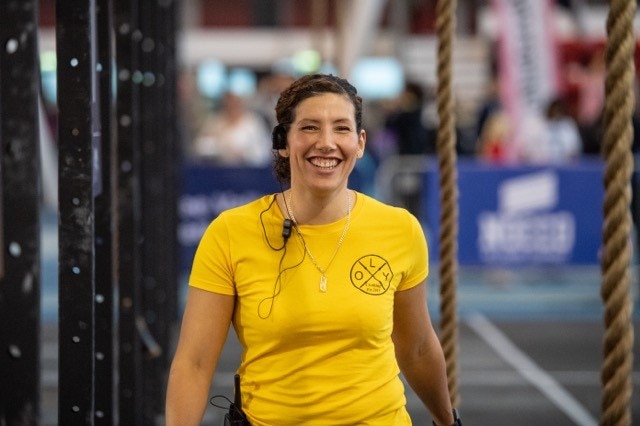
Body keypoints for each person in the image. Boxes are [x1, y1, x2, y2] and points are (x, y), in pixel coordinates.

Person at [166, 74, 460, 426]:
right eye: (309, 127)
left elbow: (417, 349)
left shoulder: (401, 229)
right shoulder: (230, 233)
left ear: (360, 142)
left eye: (341, 128)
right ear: (283, 142)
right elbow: (194, 363)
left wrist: (447, 421)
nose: (326, 143)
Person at [193, 91, 272, 166]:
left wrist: (245, 155)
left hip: (248, 170)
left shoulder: (253, 122)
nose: (232, 106)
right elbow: (202, 146)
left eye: (235, 103)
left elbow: (263, 151)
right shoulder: (214, 122)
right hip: (219, 170)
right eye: (228, 103)